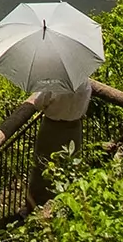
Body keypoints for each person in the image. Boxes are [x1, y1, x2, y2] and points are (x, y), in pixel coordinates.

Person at [28, 77, 91, 205]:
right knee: (70, 164)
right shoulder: (85, 82)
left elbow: (38, 103)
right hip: (74, 128)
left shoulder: (55, 83)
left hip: (52, 128)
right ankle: (65, 202)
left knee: (43, 165)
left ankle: (37, 204)